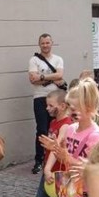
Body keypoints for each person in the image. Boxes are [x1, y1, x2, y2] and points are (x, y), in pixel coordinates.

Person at [17, 89, 72, 197]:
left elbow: (56, 148)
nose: (47, 108)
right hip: (50, 170)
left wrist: (47, 168)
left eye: (50, 105)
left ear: (62, 106)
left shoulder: (66, 125)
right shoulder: (53, 122)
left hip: (63, 171)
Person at [28, 33, 65, 175]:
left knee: (56, 129)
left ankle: (55, 157)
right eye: (43, 43)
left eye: (47, 43)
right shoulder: (34, 60)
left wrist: (42, 77)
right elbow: (33, 79)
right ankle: (39, 160)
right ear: (39, 44)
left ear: (52, 43)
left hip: (56, 98)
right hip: (40, 98)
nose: (45, 45)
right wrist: (52, 77)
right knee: (42, 129)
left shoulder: (58, 59)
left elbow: (60, 75)